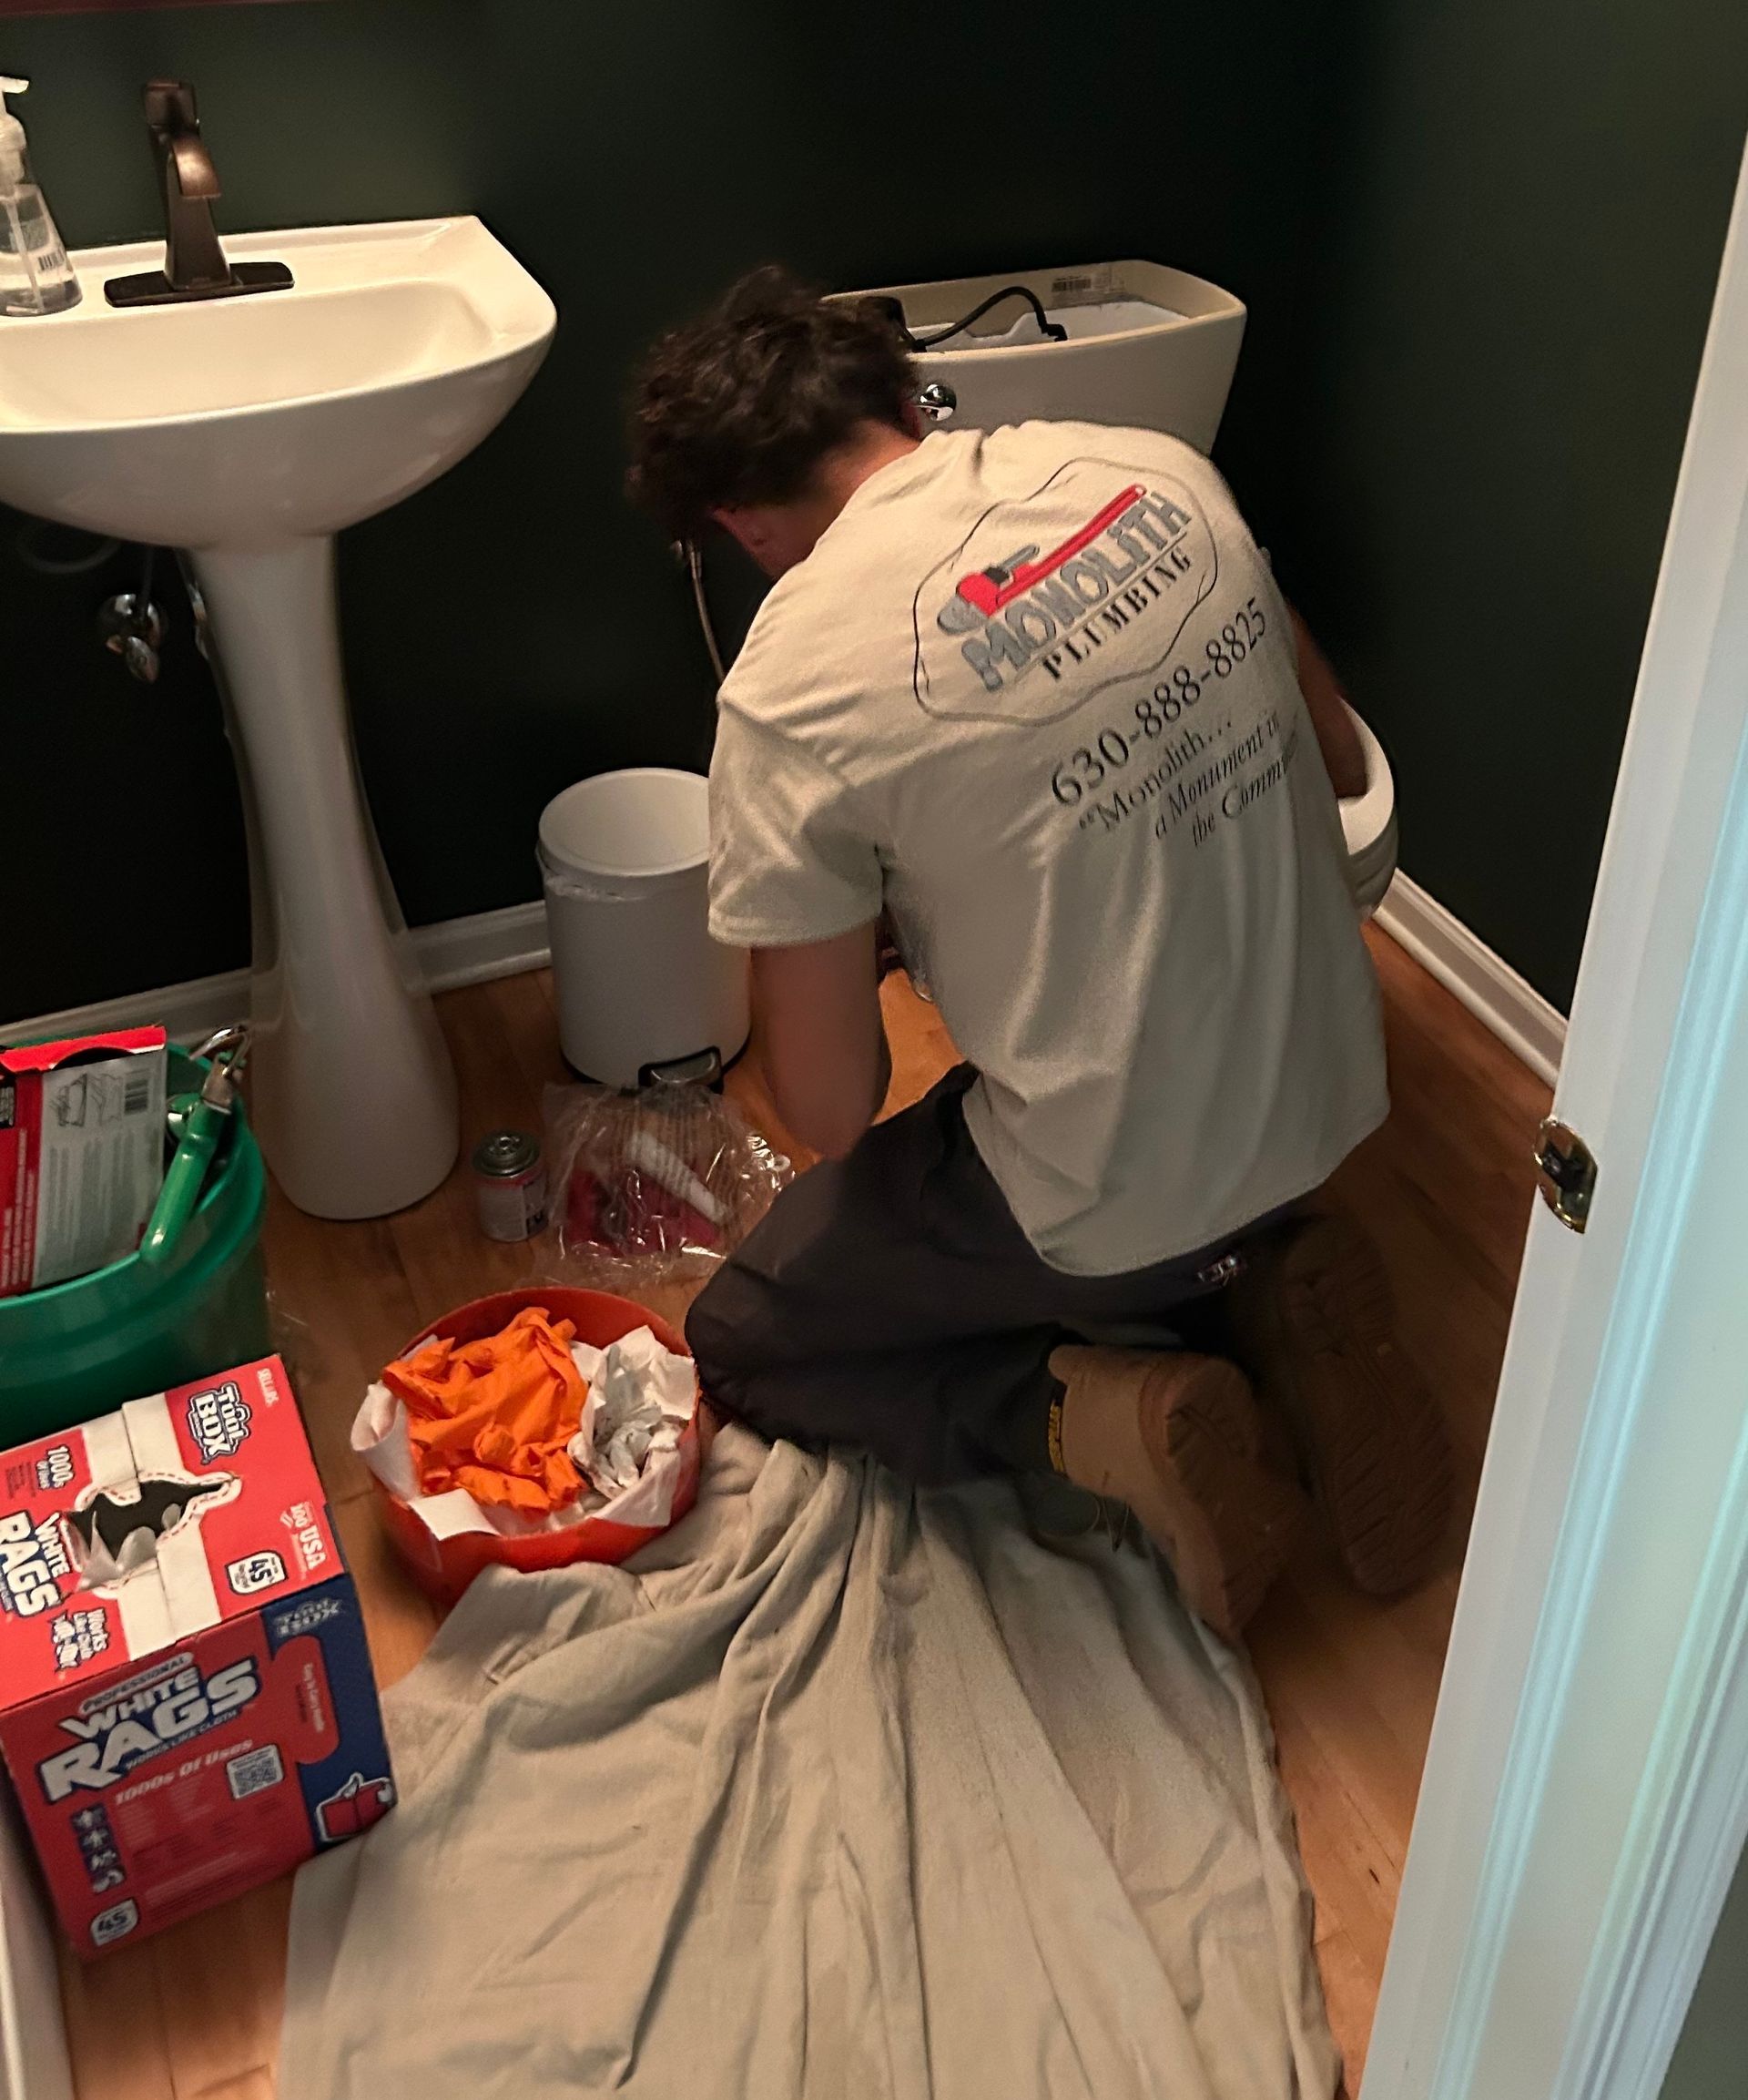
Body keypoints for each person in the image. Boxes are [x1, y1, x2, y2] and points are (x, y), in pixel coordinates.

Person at [626, 268, 1450, 1640]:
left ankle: (1091, 1418)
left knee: (747, 1340)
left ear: (742, 523)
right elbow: (1343, 759)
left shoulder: (793, 683)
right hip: (1329, 1088)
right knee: (1127, 1134)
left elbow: (830, 1112)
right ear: (907, 401)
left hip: (1112, 1190)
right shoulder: (1158, 468)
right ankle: (1267, 1295)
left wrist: (848, 941)